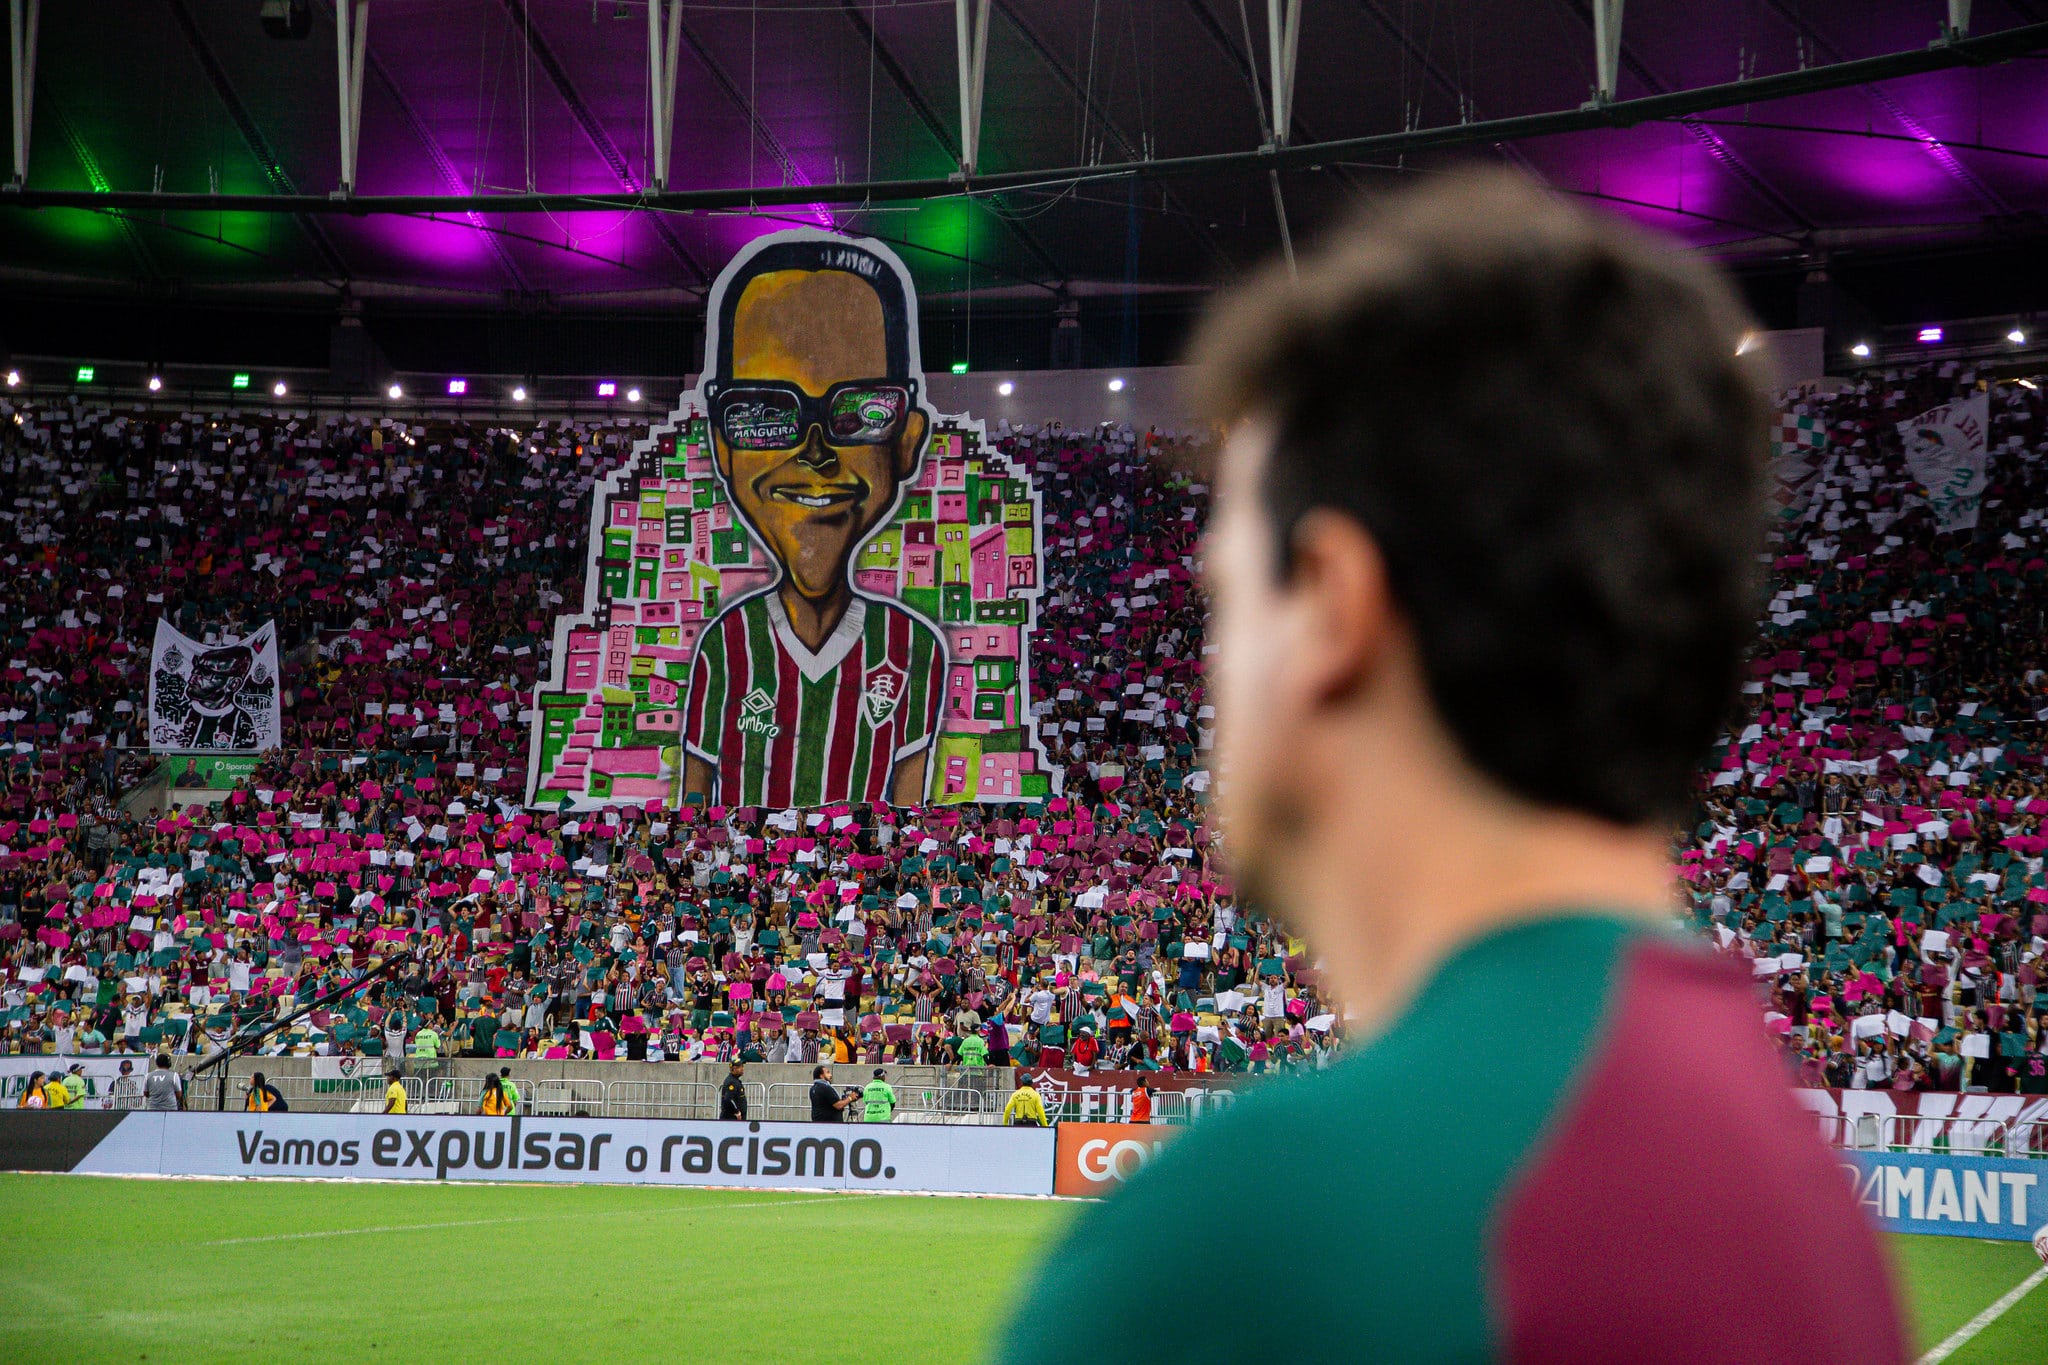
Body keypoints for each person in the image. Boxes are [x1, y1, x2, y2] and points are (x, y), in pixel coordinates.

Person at [994, 173, 1906, 1363]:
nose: (1212, 670)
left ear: (1333, 607)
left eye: (1224, 597)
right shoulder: (1803, 1206)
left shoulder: (1246, 1235)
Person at [681, 233, 947, 808]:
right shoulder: (727, 642)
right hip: (748, 859)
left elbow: (909, 802)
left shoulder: (914, 646)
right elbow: (694, 796)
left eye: (859, 412)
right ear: (721, 445)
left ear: (907, 441)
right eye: (765, 413)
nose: (817, 453)